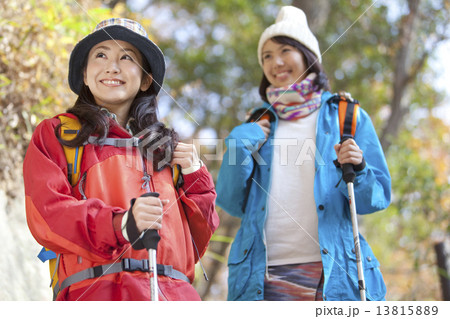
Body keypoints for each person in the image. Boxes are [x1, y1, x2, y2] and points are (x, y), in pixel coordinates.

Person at [24, 18, 219, 301]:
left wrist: (195, 176)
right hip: (96, 294)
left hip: (176, 298)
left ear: (145, 80)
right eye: (100, 55)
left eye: (126, 57)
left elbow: (196, 241)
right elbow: (47, 215)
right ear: (85, 75)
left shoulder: (168, 150)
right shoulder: (58, 134)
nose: (112, 66)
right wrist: (120, 224)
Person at [216, 6, 391, 301]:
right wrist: (239, 143)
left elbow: (376, 198)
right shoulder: (257, 123)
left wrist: (359, 167)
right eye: (267, 56)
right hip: (261, 276)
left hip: (334, 274)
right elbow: (231, 203)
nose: (276, 62)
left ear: (308, 56)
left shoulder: (346, 116)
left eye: (285, 50)